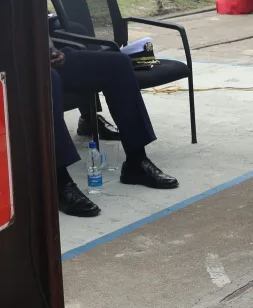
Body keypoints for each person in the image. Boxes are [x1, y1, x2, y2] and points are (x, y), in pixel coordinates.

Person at [50, 45, 179, 217]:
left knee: (119, 64)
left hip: (47, 59)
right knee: (48, 79)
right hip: (22, 69)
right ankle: (60, 183)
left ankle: (136, 162)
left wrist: (52, 49)